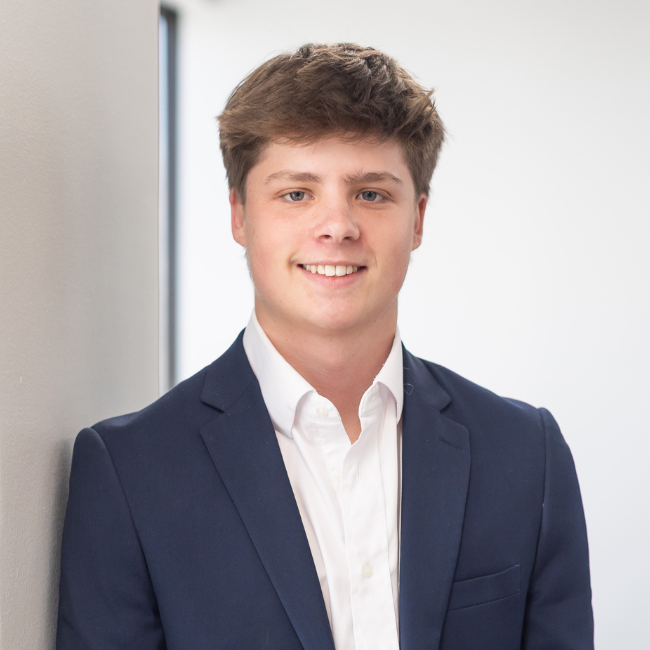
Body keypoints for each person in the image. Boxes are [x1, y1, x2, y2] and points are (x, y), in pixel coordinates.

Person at [56, 43, 593, 650]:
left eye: (371, 193)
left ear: (418, 219)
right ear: (239, 215)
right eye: (296, 193)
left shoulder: (526, 455)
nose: (337, 226)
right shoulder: (130, 473)